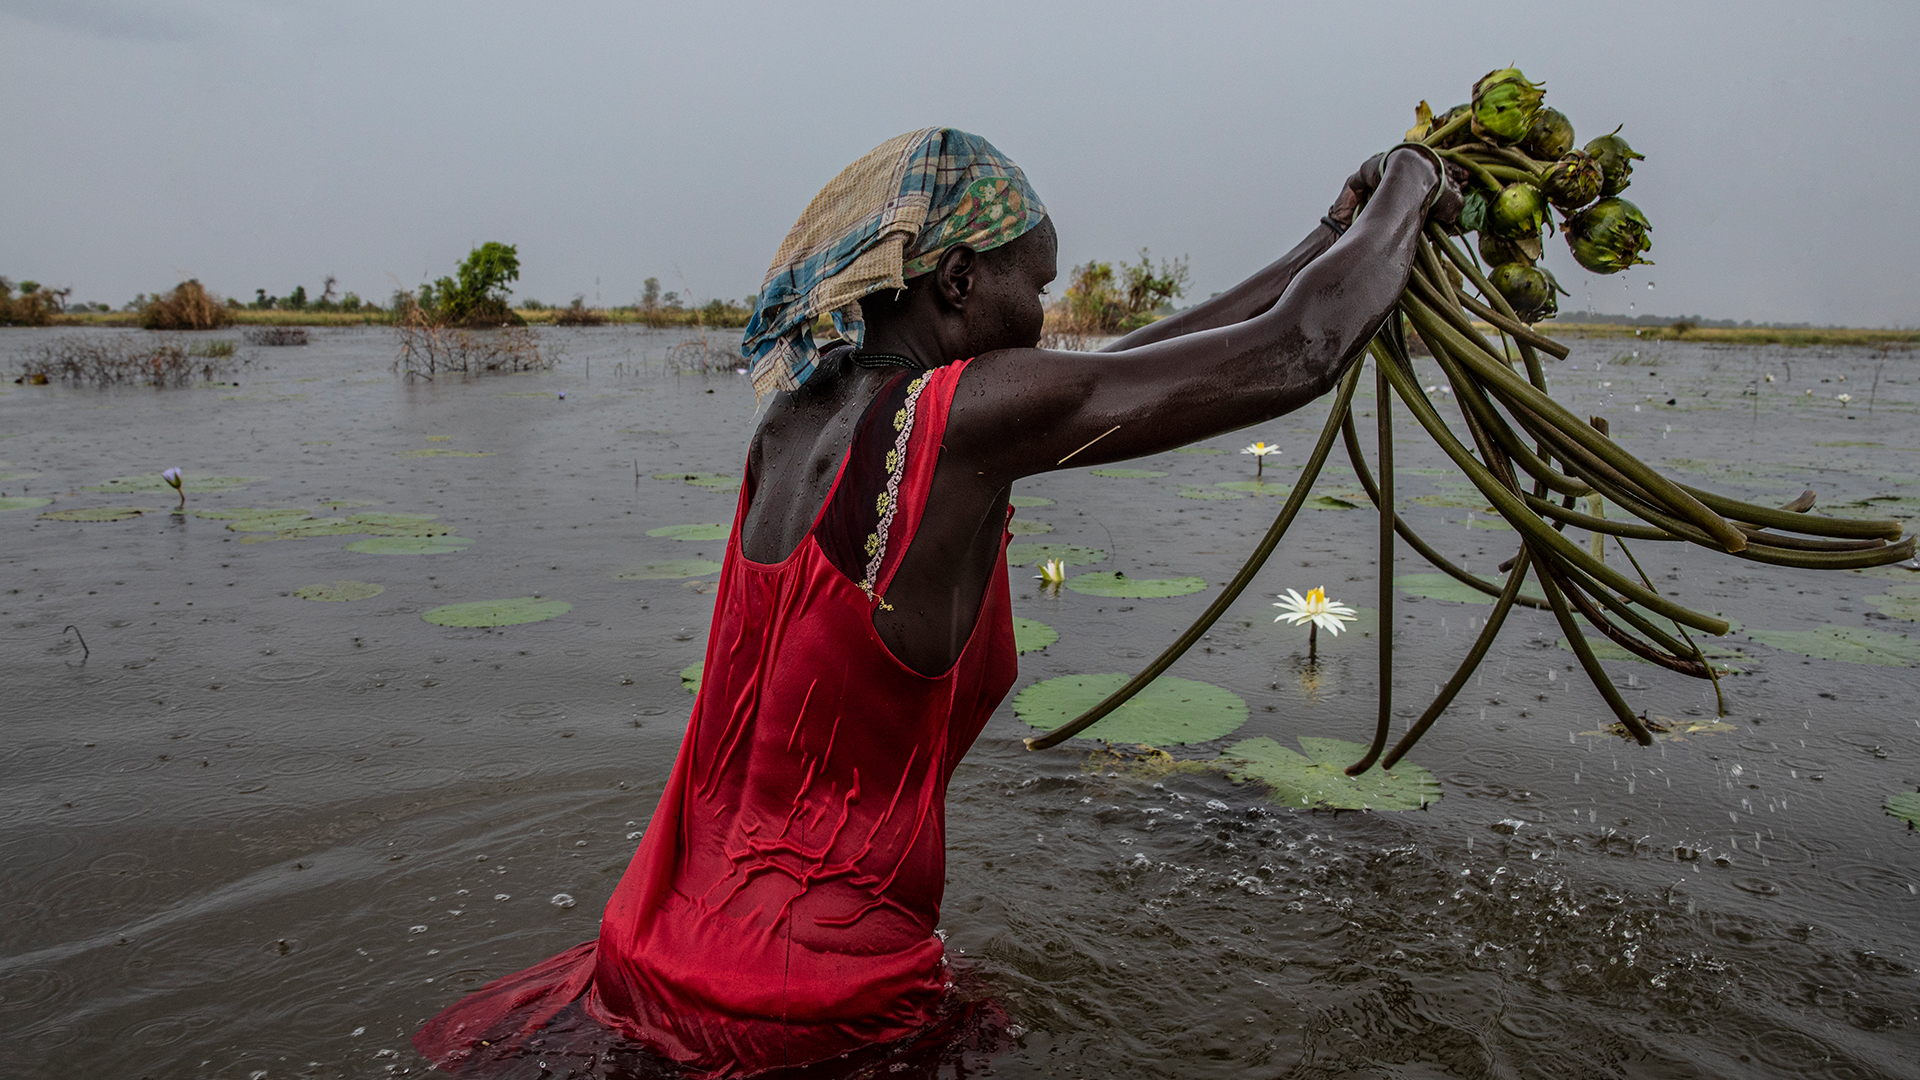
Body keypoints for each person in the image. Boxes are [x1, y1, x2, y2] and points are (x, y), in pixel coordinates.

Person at [414, 127, 1459, 1078]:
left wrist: (1337, 228)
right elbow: (1302, 350)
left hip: (645, 957)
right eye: (1033, 286)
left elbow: (1143, 364)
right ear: (960, 279)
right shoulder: (965, 423)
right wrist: (1413, 182)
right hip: (808, 1010)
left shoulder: (791, 421)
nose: (1044, 319)